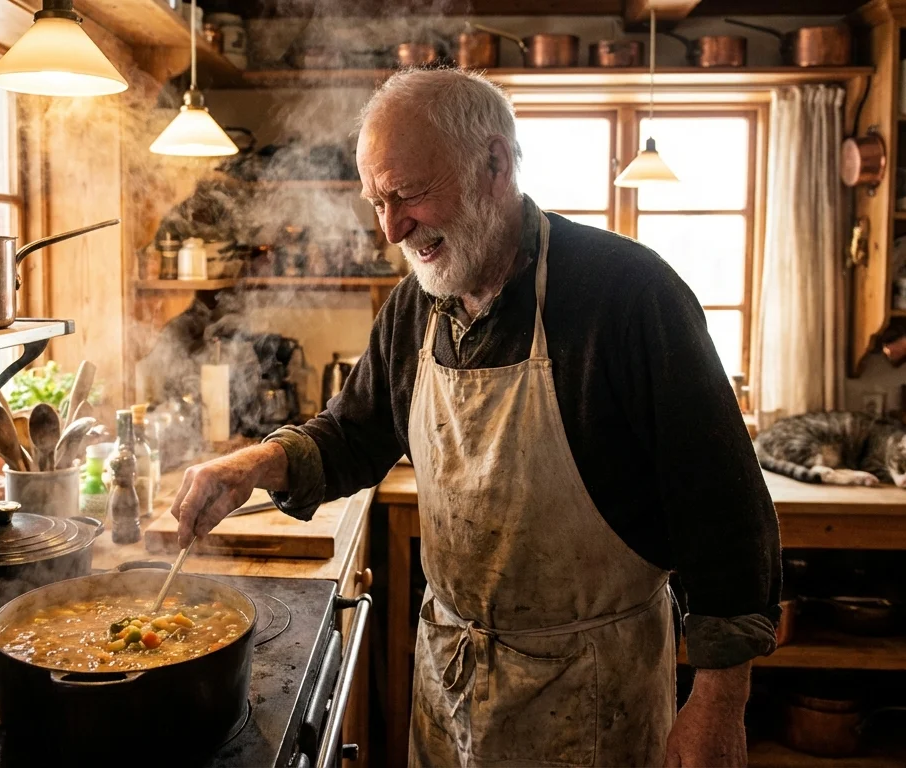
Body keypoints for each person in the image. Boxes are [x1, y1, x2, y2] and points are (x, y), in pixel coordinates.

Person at [169, 68, 780, 767]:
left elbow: (728, 515)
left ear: (493, 163)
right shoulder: (415, 306)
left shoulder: (629, 296)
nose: (393, 228)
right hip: (450, 681)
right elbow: (356, 433)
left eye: (409, 195)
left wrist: (718, 702)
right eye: (376, 202)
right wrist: (257, 462)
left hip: (592, 693)